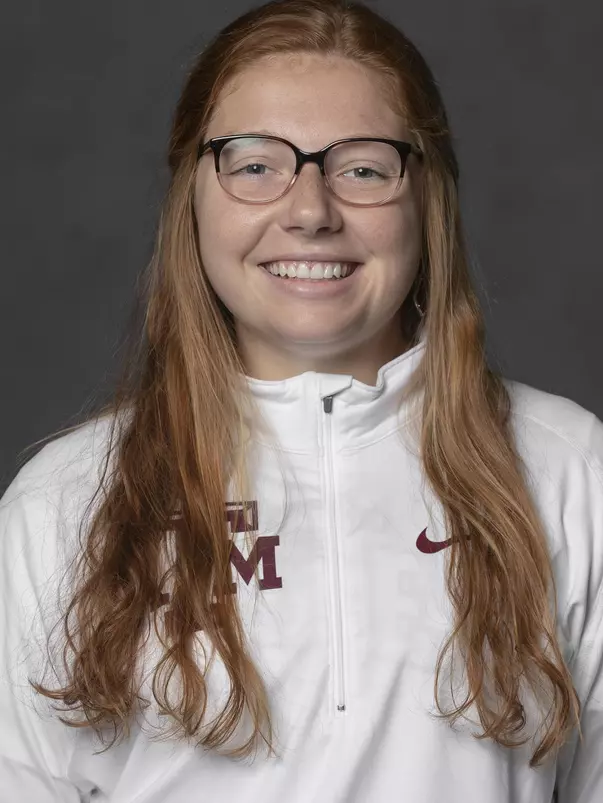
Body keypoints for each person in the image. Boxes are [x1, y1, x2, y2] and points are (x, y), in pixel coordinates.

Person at [1, 0, 601, 800]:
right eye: (255, 164)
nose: (310, 211)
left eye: (361, 166)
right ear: (193, 197)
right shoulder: (65, 500)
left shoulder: (567, 467)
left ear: (426, 196)